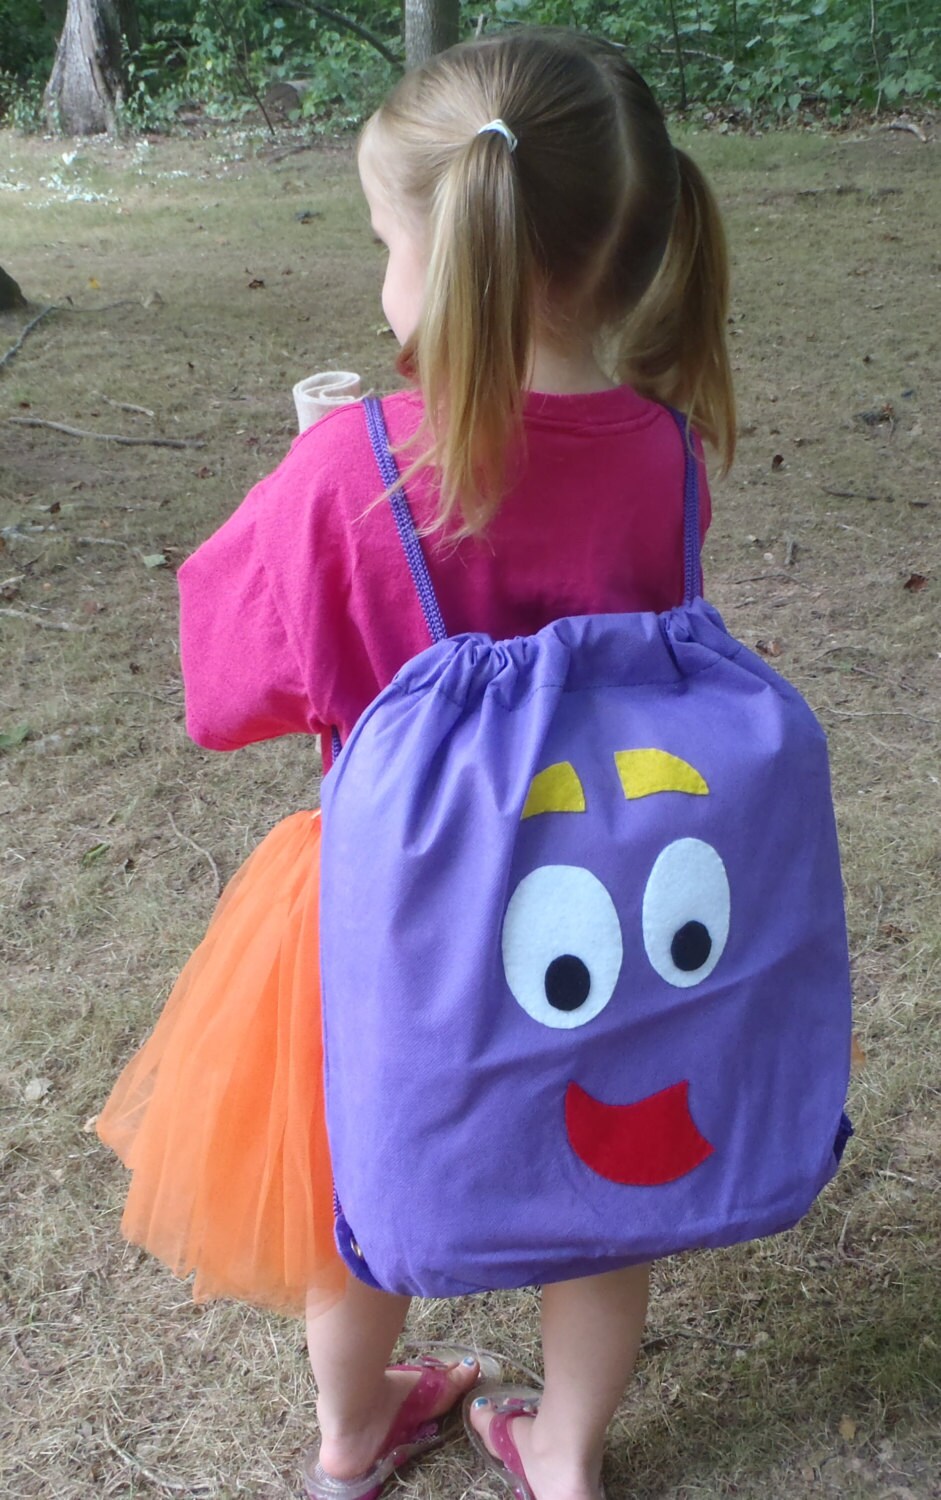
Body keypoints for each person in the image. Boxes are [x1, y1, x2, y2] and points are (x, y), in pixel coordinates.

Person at [98, 27, 735, 1500]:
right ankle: (562, 1453)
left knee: (359, 1166)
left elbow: (226, 692)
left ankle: (353, 1431)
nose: (382, 270)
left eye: (385, 240)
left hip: (390, 902)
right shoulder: (663, 451)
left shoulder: (351, 469)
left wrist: (309, 484)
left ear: (449, 260)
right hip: (596, 890)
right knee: (603, 1172)